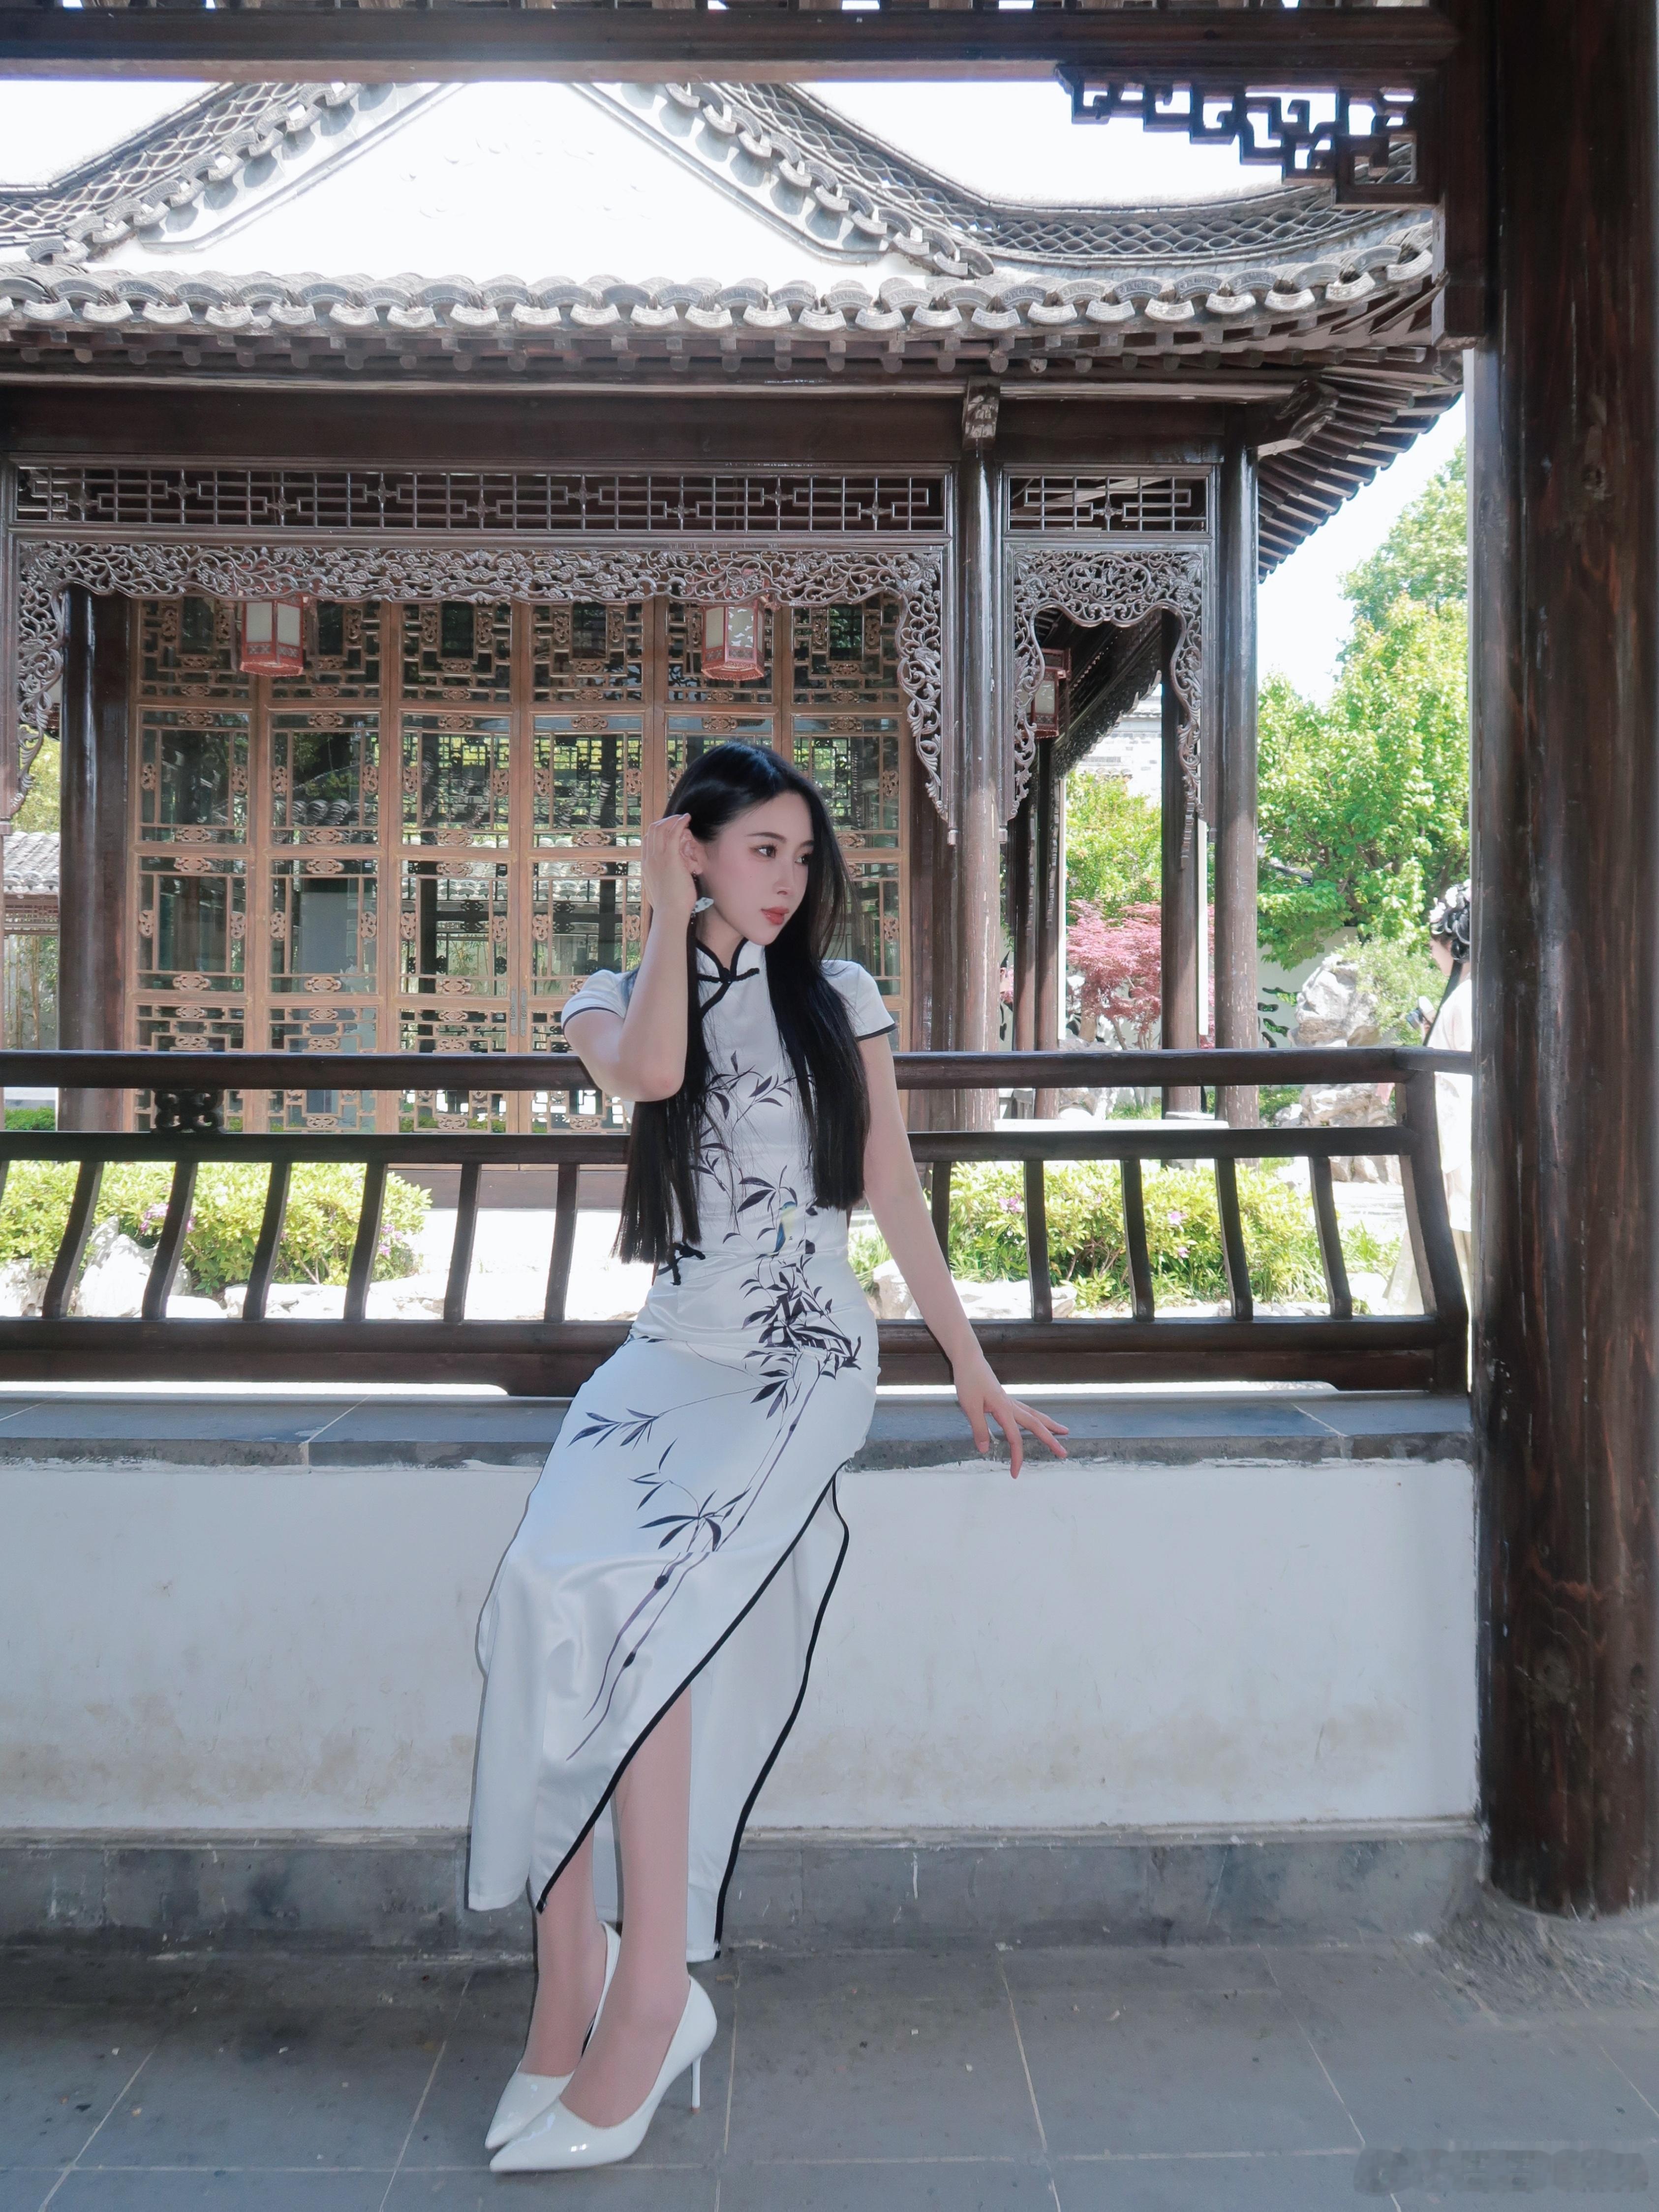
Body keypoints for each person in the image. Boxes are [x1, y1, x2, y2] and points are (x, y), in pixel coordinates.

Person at [467, 741, 1069, 2174]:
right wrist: (669, 915)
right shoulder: (609, 993)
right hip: (670, 1350)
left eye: (801, 855)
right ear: (693, 848)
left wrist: (968, 1363)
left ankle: (653, 1990)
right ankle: (569, 1972)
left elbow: (889, 1187)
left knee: (653, 1610)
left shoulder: (839, 995)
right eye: (760, 850)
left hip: (802, 1357)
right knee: (544, 1591)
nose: (789, 879)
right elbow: (656, 1071)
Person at [1386, 879, 1473, 1310]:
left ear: (1453, 944)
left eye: (1434, 945)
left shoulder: (1464, 1000)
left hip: (1463, 1151)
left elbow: (1462, 1088)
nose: (1432, 953)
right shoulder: (1471, 997)